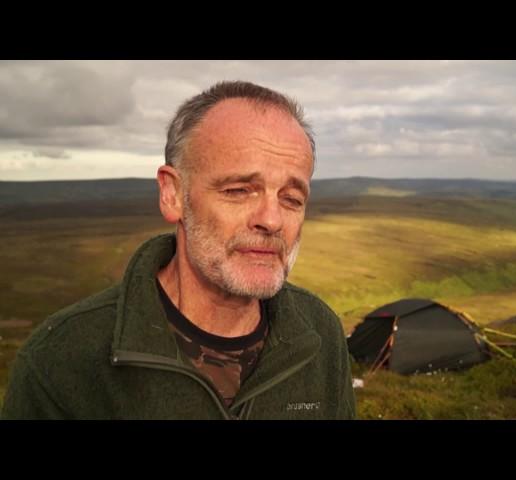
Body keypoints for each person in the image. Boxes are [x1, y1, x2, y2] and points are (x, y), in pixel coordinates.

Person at [1, 80, 356, 420]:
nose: (272, 220)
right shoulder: (63, 359)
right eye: (238, 190)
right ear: (173, 195)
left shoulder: (320, 331)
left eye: (292, 199)